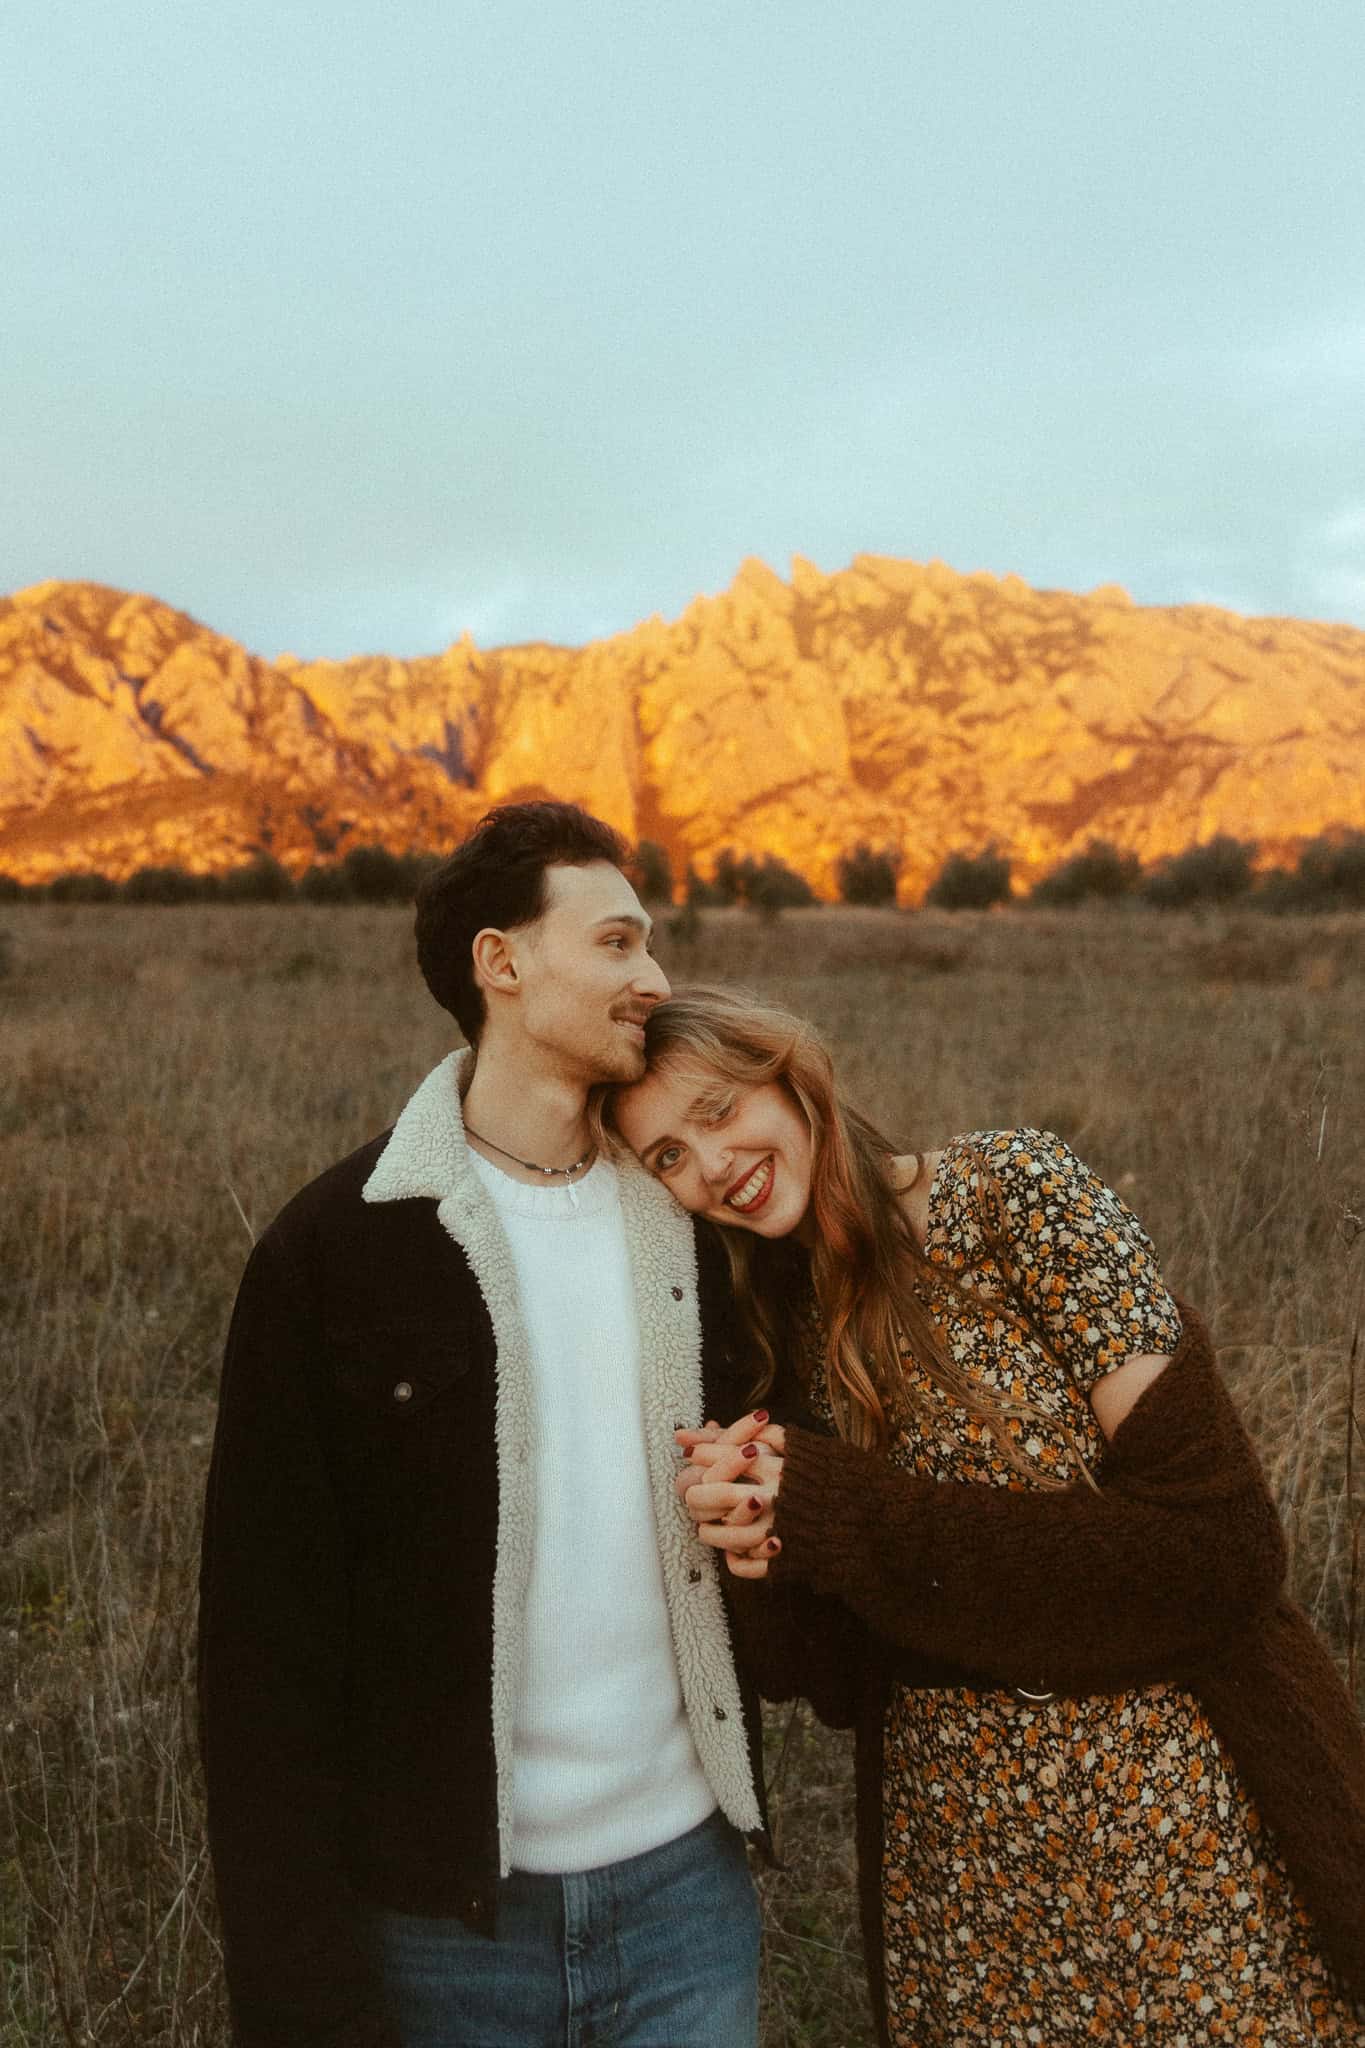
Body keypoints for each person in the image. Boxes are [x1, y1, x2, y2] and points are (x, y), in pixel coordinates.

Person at [605, 984, 1365, 2048]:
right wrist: (755, 1545)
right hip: (962, 1885)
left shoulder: (1019, 1193)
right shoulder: (766, 1328)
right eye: (668, 1157)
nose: (712, 1163)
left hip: (1185, 1838)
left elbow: (1224, 1550)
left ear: (790, 1070)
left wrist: (837, 1505)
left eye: (721, 1108)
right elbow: (829, 1677)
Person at [197, 808, 773, 2048]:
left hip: (688, 1904)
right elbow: (263, 1658)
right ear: (500, 964)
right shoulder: (335, 1249)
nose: (655, 980)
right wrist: (306, 1998)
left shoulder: (696, 1226)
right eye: (617, 940)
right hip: (442, 1935)